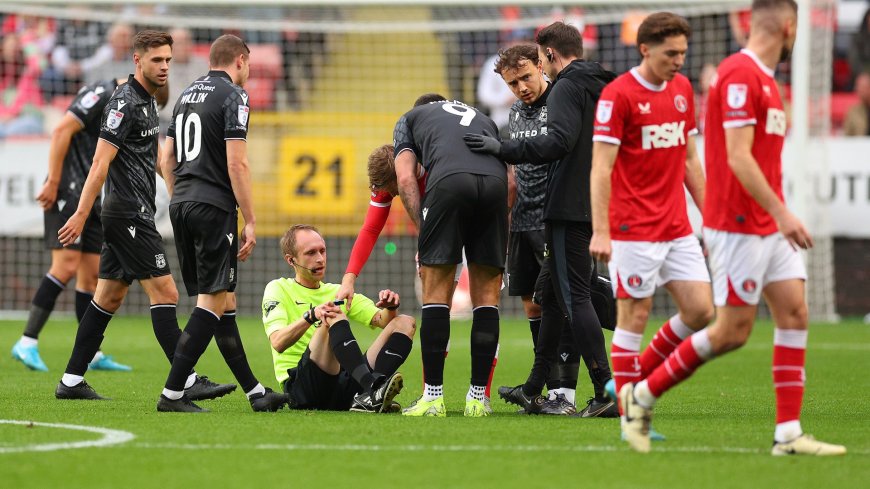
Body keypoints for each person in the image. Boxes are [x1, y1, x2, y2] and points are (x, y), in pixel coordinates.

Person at [618, 0, 847, 456]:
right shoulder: (741, 74)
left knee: (795, 312)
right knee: (731, 332)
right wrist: (783, 213)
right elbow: (738, 157)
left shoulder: (765, 78)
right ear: (788, 25)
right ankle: (640, 396)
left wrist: (777, 215)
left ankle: (788, 435)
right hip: (741, 224)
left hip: (766, 222)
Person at [54, 30, 235, 403]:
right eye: (157, 60)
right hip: (126, 213)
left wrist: (178, 189)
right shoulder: (123, 102)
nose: (165, 66)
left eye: (168, 59)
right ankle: (184, 382)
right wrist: (81, 212)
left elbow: (153, 158)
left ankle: (71, 380)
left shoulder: (150, 101)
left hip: (136, 212)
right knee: (165, 292)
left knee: (108, 296)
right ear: (137, 61)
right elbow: (100, 163)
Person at [465, 21, 616, 415]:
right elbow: (518, 173)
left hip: (564, 211)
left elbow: (556, 147)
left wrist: (504, 150)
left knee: (572, 299)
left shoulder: (566, 94)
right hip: (529, 218)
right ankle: (541, 388)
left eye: (527, 77)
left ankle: (574, 390)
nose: (522, 88)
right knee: (542, 302)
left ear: (543, 60)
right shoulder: (515, 114)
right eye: (512, 84)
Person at [588, 12, 714, 440]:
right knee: (634, 317)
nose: (679, 61)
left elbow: (691, 160)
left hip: (677, 226)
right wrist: (601, 230)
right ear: (645, 49)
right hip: (631, 228)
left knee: (701, 310)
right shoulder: (618, 95)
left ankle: (631, 377)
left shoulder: (682, 90)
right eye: (671, 53)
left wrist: (711, 216)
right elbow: (600, 169)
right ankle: (631, 418)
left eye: (683, 52)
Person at [155, 34, 287, 413]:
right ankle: (172, 394)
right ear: (241, 61)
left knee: (223, 300)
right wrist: (251, 218)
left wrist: (182, 194)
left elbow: (166, 159)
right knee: (211, 303)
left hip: (181, 204)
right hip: (214, 207)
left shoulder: (184, 96)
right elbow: (237, 164)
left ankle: (255, 393)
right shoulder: (234, 96)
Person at [335, 144, 499, 413]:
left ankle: (481, 398)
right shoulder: (398, 175)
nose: (388, 195)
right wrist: (349, 278)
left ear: (400, 178)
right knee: (437, 309)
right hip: (443, 231)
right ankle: (431, 396)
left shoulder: (438, 172)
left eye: (390, 189)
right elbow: (371, 227)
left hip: (480, 223)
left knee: (486, 306)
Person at [393, 93, 506, 417]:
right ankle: (477, 400)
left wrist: (425, 227)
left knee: (436, 295)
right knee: (486, 298)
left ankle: (433, 397)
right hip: (495, 186)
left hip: (450, 183)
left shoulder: (410, 119)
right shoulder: (481, 116)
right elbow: (511, 181)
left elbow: (404, 177)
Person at [11, 75, 133, 373]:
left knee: (91, 277)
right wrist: (53, 180)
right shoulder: (102, 92)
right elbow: (62, 128)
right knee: (65, 266)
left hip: (90, 198)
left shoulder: (126, 102)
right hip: (67, 190)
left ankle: (91, 353)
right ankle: (27, 341)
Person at [263, 224, 413, 412]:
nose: (320, 259)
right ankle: (372, 388)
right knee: (333, 314)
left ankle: (369, 396)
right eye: (310, 253)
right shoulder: (278, 288)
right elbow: (277, 342)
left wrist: (390, 308)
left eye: (322, 251)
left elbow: (382, 320)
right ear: (291, 260)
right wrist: (311, 316)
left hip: (342, 385)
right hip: (303, 388)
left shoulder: (336, 291)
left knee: (405, 323)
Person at [844, 72, 870, 136]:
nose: (856, 89)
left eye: (860, 87)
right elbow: (846, 137)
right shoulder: (853, 112)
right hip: (859, 145)